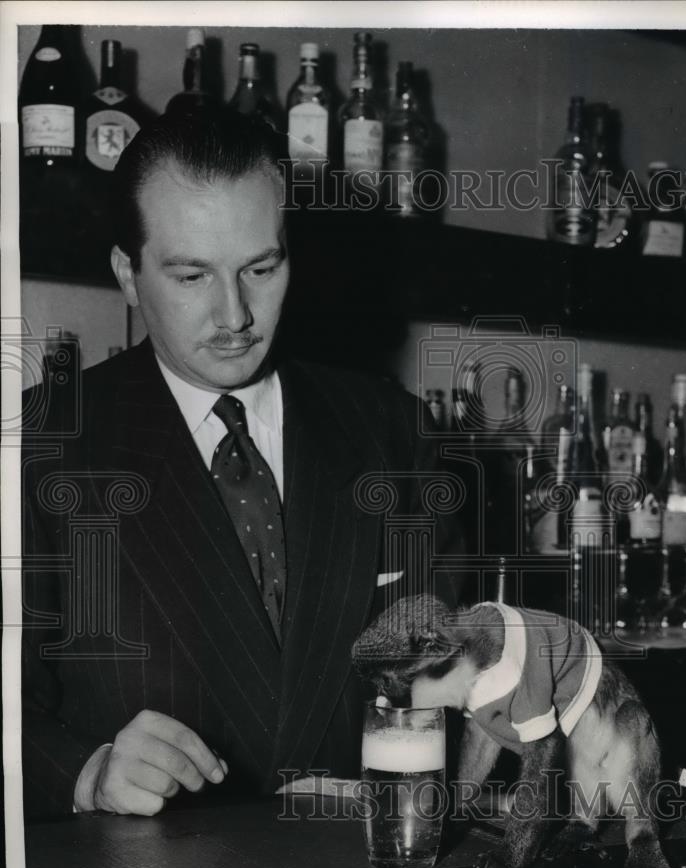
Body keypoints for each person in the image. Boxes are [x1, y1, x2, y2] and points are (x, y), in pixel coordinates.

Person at [21, 109, 463, 820]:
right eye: (192, 275)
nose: (236, 315)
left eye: (261, 267)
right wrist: (87, 773)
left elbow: (462, 678)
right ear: (127, 276)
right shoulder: (41, 445)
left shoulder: (393, 433)